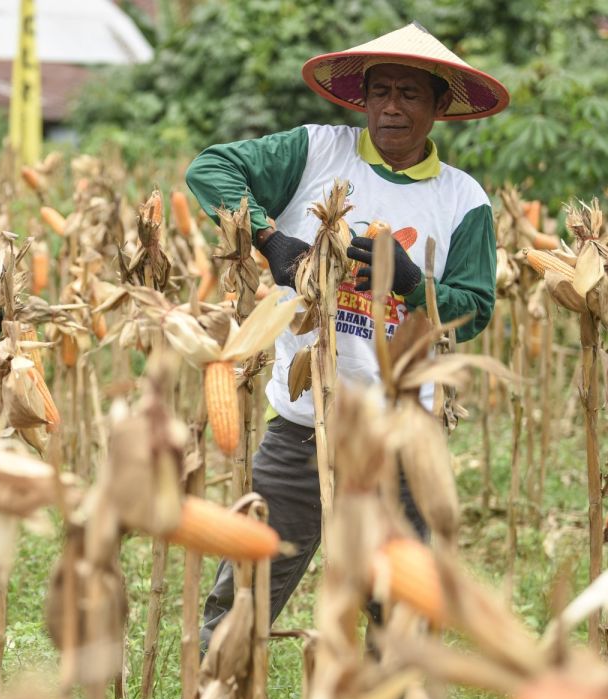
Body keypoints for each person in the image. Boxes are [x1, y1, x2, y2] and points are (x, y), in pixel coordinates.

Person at [184, 22, 508, 647]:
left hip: (402, 432)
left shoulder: (463, 200)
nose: (392, 107)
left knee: (399, 601)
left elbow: (475, 308)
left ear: (440, 107)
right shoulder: (315, 151)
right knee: (250, 581)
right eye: (379, 91)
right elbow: (211, 169)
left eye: (411, 94)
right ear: (361, 99)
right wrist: (270, 238)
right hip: (306, 419)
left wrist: (412, 283)